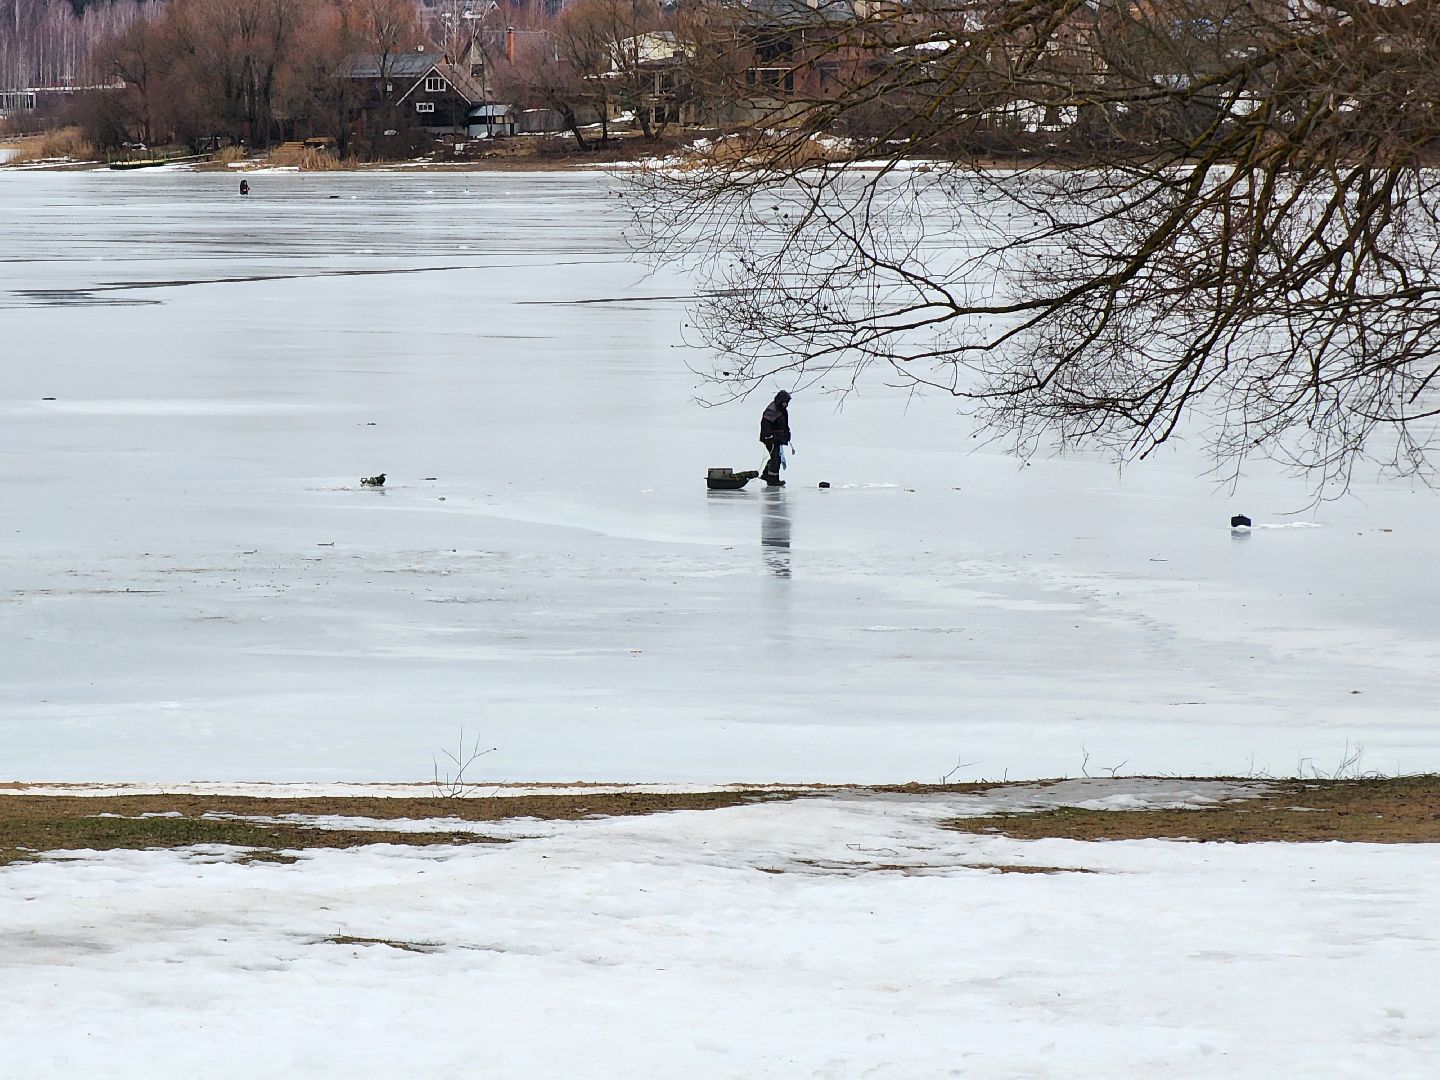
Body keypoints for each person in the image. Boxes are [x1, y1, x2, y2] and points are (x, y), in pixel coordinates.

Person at [759, 390, 792, 486]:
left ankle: (766, 474)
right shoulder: (772, 410)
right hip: (771, 438)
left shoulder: (782, 410)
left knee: (775, 457)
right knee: (775, 458)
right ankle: (772, 479)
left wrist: (787, 435)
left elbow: (784, 425)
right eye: (785, 402)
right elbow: (765, 424)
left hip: (777, 438)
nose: (786, 404)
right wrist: (768, 435)